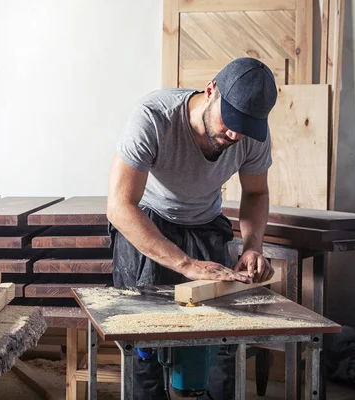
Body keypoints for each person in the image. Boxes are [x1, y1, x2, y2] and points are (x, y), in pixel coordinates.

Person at [106, 57, 278, 400]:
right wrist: (185, 264)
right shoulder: (154, 116)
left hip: (205, 221)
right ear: (211, 90)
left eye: (245, 128)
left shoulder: (251, 133)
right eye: (230, 121)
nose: (234, 134)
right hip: (148, 220)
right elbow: (119, 206)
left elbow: (256, 192)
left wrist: (252, 246)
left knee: (217, 338)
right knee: (145, 339)